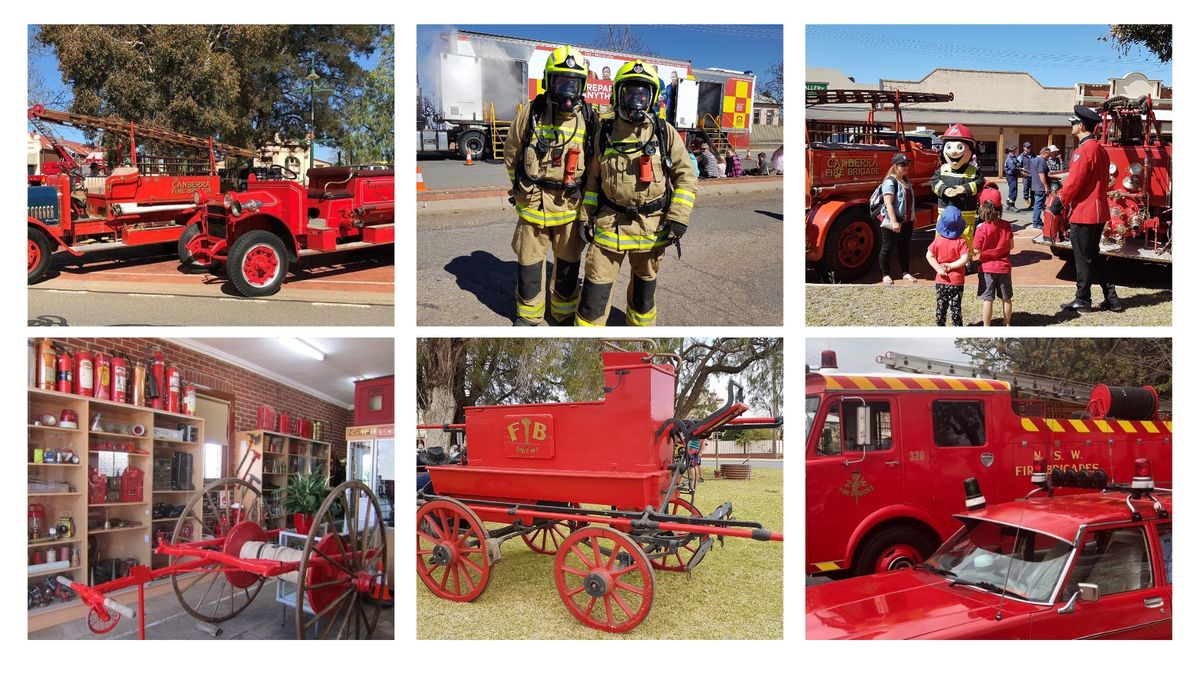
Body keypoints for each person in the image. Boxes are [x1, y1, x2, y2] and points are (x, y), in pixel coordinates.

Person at [575, 60, 699, 327]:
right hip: (609, 226)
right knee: (594, 294)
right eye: (630, 93)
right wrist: (585, 218)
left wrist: (678, 217)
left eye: (643, 94)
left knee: (644, 298)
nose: (636, 100)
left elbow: (686, 178)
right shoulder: (604, 133)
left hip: (652, 228)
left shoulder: (665, 134)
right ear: (617, 94)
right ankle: (586, 339)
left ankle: (638, 339)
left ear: (652, 97)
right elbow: (593, 182)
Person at [503, 45, 595, 325]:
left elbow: (594, 166)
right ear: (548, 81)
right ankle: (529, 317)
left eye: (574, 83)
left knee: (567, 267)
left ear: (583, 86)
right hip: (533, 208)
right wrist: (522, 188)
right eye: (561, 82)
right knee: (529, 265)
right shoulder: (531, 113)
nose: (568, 91)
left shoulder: (589, 120)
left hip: (569, 208)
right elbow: (511, 154)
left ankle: (562, 314)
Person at [1049, 105, 1122, 313]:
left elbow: (1074, 183)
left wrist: (1059, 201)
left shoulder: (1083, 151)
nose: (1072, 126)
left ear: (1081, 125)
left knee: (1082, 258)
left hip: (1084, 213)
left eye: (1073, 123)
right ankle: (1112, 298)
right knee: (1094, 256)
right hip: (1099, 212)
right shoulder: (1100, 150)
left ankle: (1083, 298)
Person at [930, 124, 985, 253]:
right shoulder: (943, 169)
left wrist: (964, 188)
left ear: (970, 151)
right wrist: (944, 190)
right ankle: (942, 257)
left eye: (960, 147)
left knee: (966, 237)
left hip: (966, 212)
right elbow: (934, 181)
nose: (954, 152)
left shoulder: (973, 171)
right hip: (945, 212)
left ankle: (966, 261)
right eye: (949, 147)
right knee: (942, 236)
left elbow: (981, 182)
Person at [972, 188, 1015, 326]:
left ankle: (986, 326)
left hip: (986, 268)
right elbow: (1011, 246)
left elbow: (977, 249)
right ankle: (1007, 323)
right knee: (1006, 298)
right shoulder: (1006, 226)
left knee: (988, 299)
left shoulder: (981, 228)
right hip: (1003, 267)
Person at [926, 205, 969, 326]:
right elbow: (965, 259)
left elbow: (929, 255)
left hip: (941, 280)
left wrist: (938, 268)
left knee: (941, 307)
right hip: (956, 281)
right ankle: (957, 328)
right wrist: (952, 266)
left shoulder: (938, 240)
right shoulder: (962, 242)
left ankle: (940, 327)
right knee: (956, 308)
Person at [878, 153, 916, 285]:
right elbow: (888, 203)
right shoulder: (890, 181)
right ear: (895, 166)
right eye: (903, 165)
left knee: (904, 247)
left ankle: (905, 272)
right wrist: (894, 222)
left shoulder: (906, 180)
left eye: (907, 164)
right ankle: (885, 274)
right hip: (892, 221)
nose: (906, 167)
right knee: (887, 247)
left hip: (906, 221)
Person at [1029, 146, 1051, 230]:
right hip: (1040, 186)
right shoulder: (1041, 161)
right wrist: (1046, 186)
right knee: (1039, 205)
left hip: (1036, 186)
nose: (1049, 157)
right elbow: (1041, 174)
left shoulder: (1035, 160)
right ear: (1044, 153)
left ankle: (1037, 220)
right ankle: (1036, 222)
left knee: (1037, 204)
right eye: (1048, 155)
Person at [1018, 141, 1035, 208]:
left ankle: (1032, 201)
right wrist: (1022, 172)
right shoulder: (1021, 156)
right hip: (1026, 175)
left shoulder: (1033, 155)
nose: (1028, 148)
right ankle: (1026, 200)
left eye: (1029, 147)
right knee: (1026, 189)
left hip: (1033, 175)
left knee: (1033, 189)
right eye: (1027, 147)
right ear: (1024, 148)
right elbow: (1017, 166)